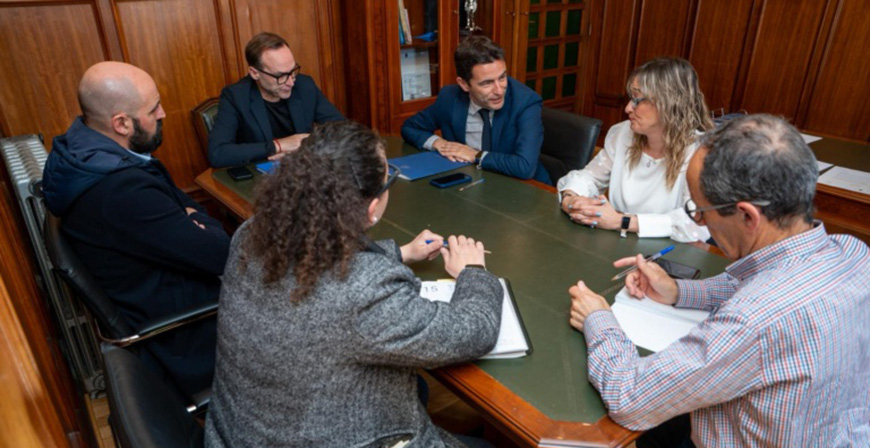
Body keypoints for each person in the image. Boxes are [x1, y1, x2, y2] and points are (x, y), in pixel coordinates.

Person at [568, 114, 870, 447]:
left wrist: (599, 319)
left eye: (701, 210)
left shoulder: (753, 322)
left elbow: (629, 396)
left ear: (747, 216)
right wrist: (678, 290)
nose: (699, 220)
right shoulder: (854, 253)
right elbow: (753, 282)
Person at [205, 121, 502, 448]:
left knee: (417, 388)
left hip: (241, 431)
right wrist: (473, 271)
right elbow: (474, 331)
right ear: (372, 208)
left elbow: (316, 260)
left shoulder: (252, 233)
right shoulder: (366, 290)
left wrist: (401, 252)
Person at [41, 61, 230, 395]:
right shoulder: (121, 189)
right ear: (121, 123)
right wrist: (191, 217)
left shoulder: (89, 152)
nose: (163, 113)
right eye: (153, 108)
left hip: (164, 298)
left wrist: (191, 215)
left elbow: (191, 209)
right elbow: (219, 254)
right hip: (188, 334)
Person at [557, 58, 712, 242]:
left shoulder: (700, 153)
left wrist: (621, 221)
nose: (628, 108)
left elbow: (696, 224)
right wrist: (570, 199)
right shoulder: (623, 133)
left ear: (669, 103)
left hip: (668, 253)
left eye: (638, 100)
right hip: (617, 243)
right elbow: (588, 178)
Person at [401, 35, 549, 183]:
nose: (499, 90)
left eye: (502, 77)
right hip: (471, 182)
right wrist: (440, 144)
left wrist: (475, 155)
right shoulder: (449, 98)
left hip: (523, 187)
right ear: (464, 84)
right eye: (487, 83)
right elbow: (410, 127)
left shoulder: (525, 102)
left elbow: (524, 167)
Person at [207, 32, 344, 167]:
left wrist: (306, 146)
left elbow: (342, 130)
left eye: (293, 71)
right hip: (262, 175)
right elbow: (218, 153)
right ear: (254, 73)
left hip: (303, 168)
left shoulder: (305, 86)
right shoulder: (235, 97)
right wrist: (278, 145)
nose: (291, 82)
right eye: (280, 76)